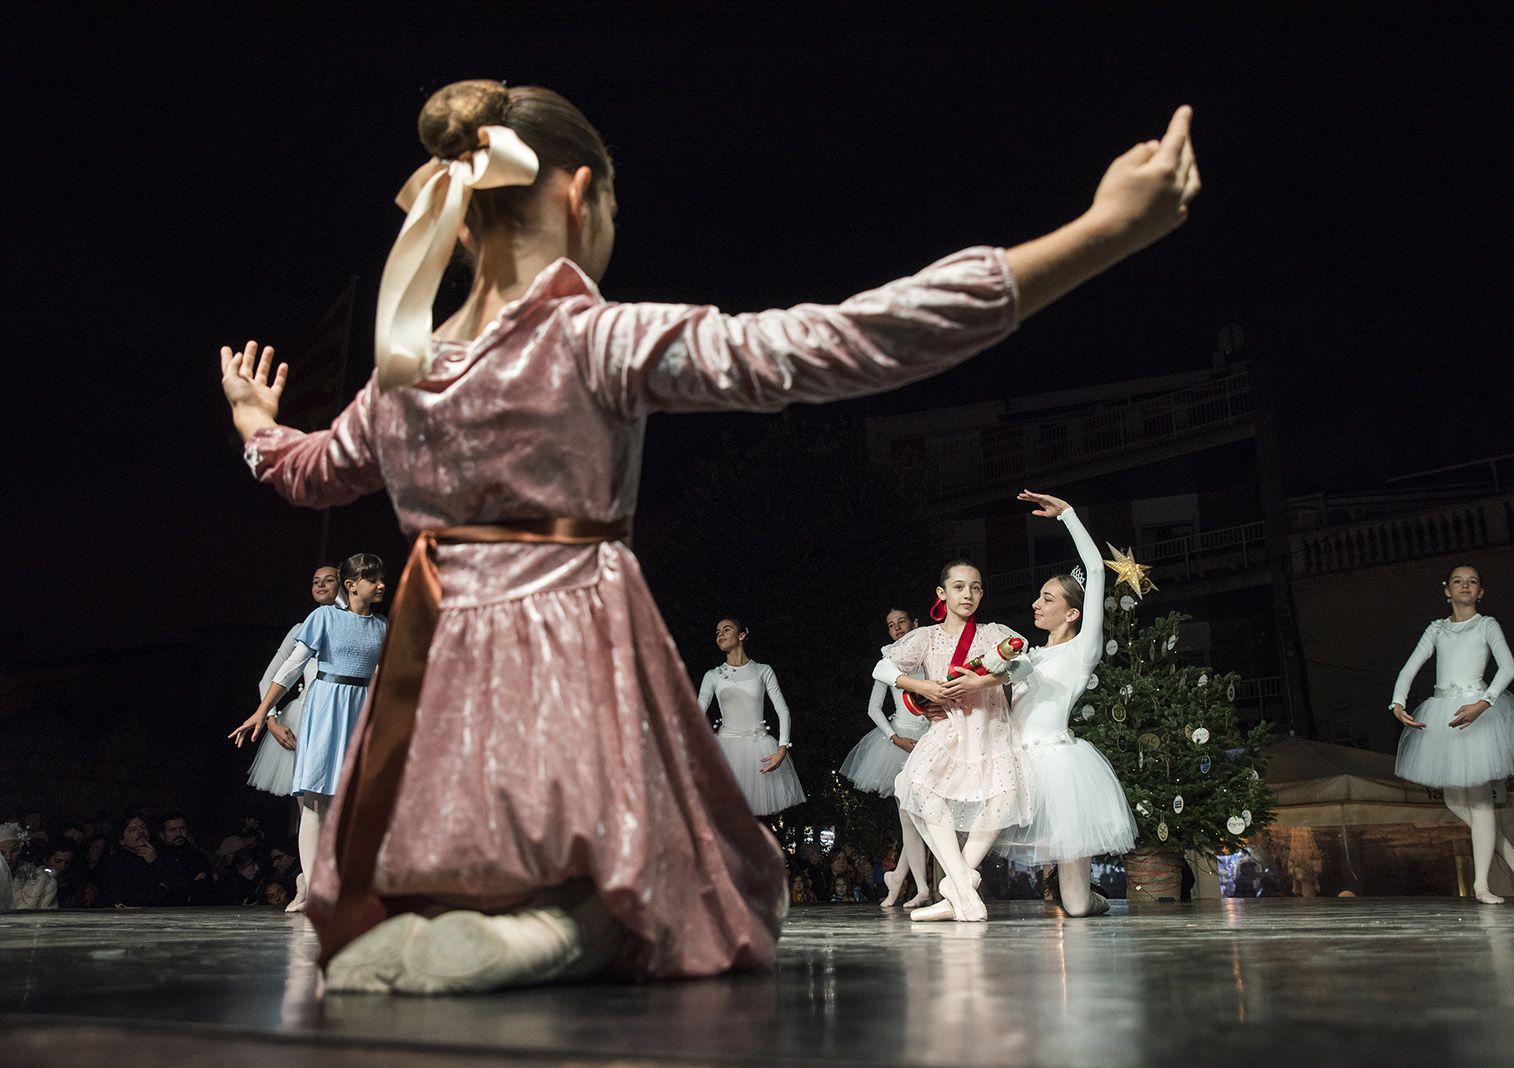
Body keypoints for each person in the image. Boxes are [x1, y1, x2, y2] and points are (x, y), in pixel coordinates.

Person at [217, 78, 1198, 992]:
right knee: (717, 887)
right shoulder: (598, 338)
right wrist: (1104, 231)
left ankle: (484, 913)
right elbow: (843, 341)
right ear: (580, 193)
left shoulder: (408, 374)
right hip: (566, 639)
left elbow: (305, 471)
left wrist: (256, 422)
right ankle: (563, 924)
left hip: (437, 665)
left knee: (481, 852)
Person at [993, 491, 1137, 917]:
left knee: (1075, 907)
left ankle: (1095, 899)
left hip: (1059, 769)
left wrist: (1069, 516)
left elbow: (1095, 568)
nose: (1036, 603)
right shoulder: (1027, 656)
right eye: (1038, 597)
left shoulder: (1080, 652)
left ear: (1073, 614)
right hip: (1015, 765)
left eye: (1049, 598)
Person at [873, 561, 1030, 922]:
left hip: (990, 728)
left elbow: (1026, 668)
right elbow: (882, 668)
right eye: (959, 587)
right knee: (917, 788)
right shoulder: (927, 636)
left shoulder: (992, 633)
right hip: (949, 729)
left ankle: (955, 888)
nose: (968, 595)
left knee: (1003, 799)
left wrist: (983, 683)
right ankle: (962, 884)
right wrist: (921, 686)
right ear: (942, 594)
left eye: (975, 588)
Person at [230, 553, 388, 911]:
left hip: (360, 708)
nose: (381, 585)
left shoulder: (381, 626)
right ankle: (315, 887)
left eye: (382, 579)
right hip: (326, 704)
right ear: (352, 586)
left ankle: (335, 881)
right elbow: (290, 667)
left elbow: (383, 676)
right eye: (374, 579)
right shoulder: (323, 618)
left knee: (350, 803)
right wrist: (262, 713)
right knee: (314, 801)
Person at [1390, 565, 1514, 903]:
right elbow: (1409, 667)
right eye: (1458, 581)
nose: (1465, 586)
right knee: (1454, 799)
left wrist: (1484, 703)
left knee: (1480, 800)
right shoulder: (1437, 629)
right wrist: (1397, 703)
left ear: (1481, 591)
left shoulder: (1487, 625)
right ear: (1447, 590)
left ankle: (1481, 885)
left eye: (1473, 581)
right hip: (1444, 713)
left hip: (1477, 714)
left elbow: (1509, 667)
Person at [247, 564, 342, 909]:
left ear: (343, 584)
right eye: (315, 581)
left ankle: (323, 880)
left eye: (328, 580)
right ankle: (310, 882)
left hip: (345, 717)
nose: (320, 585)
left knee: (341, 809)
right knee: (312, 809)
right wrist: (270, 719)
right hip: (306, 720)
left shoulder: (356, 625)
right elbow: (271, 677)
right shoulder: (302, 629)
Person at [838, 607, 934, 908]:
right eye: (891, 625)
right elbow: (873, 708)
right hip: (901, 742)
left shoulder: (929, 656)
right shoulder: (888, 664)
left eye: (901, 622)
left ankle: (897, 880)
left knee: (925, 818)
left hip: (932, 740)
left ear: (915, 623)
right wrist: (894, 738)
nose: (896, 628)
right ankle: (920, 888)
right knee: (910, 815)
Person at [698, 619, 806, 815]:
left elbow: (783, 710)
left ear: (741, 635)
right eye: (717, 632)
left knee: (752, 818)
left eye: (726, 629)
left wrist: (782, 749)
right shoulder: (713, 675)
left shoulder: (763, 670)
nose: (720, 634)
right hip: (725, 749)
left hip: (759, 749)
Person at [96, 813, 172, 908]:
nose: (140, 832)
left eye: (143, 827)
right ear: (121, 840)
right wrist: (160, 891)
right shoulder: (114, 863)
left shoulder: (161, 856)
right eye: (132, 830)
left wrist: (155, 862)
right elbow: (121, 900)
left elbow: (175, 889)